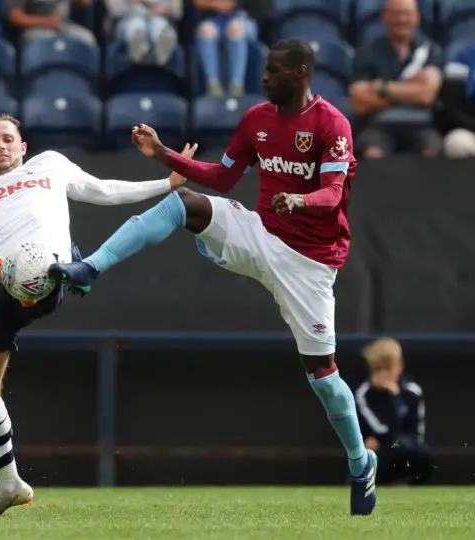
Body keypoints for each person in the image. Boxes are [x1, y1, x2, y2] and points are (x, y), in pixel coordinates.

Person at [50, 37, 378, 516]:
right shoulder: (257, 119)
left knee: (324, 378)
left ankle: (360, 461)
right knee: (182, 204)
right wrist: (164, 154)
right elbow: (223, 178)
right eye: (264, 69)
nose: (264, 78)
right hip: (260, 232)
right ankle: (90, 267)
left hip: (309, 263)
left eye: (274, 71)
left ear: (302, 72)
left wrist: (300, 200)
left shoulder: (331, 124)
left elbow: (332, 193)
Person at [0, 92, 191, 516]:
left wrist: (166, 184)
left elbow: (102, 190)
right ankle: (10, 484)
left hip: (44, 272)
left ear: (23, 146)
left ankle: (66, 267)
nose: (1, 145)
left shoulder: (50, 164)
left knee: (35, 267)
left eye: (7, 139)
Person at [348, 0, 443, 159]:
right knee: (372, 153)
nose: (402, 19)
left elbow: (427, 96)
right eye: (396, 13)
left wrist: (381, 88)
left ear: (417, 17)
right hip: (378, 127)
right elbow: (359, 101)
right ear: (385, 16)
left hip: (422, 126)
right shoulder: (367, 52)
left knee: (432, 152)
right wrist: (412, 92)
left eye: (407, 14)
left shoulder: (432, 51)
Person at [356, 338, 430, 485]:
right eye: (378, 370)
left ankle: (412, 485)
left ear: (400, 366)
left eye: (388, 368)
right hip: (380, 453)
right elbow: (382, 431)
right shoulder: (364, 394)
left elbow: (416, 433)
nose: (384, 374)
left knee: (418, 453)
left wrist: (395, 398)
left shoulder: (412, 392)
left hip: (408, 449)